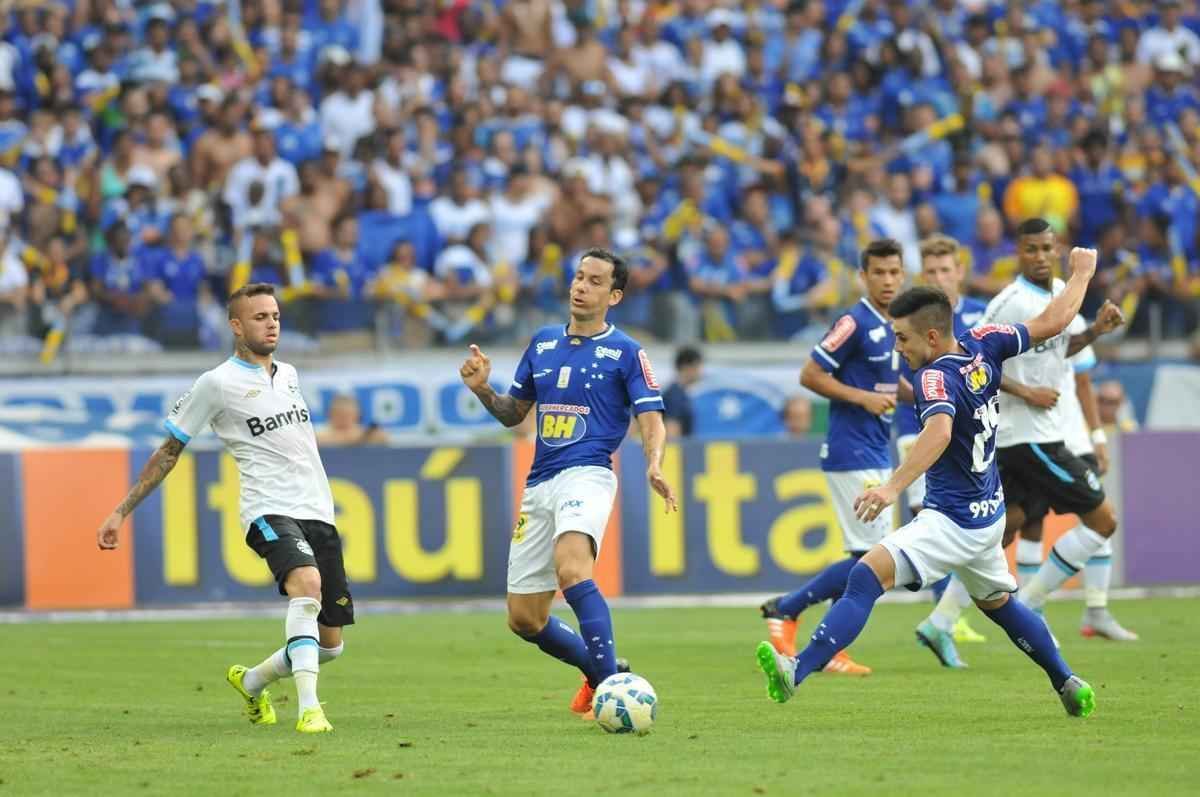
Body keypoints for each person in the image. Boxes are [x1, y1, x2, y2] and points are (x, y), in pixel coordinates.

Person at [756, 246, 1104, 718]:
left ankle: (795, 671)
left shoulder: (933, 379)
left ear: (932, 335)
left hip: (953, 518)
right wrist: (1082, 274)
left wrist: (890, 489)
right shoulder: (987, 341)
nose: (899, 348)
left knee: (865, 576)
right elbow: (1054, 320)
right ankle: (1067, 680)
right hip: (987, 510)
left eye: (903, 339)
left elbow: (938, 432)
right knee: (1000, 603)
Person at [95, 283, 350, 734]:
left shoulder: (289, 374)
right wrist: (121, 510)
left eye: (275, 316)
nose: (271, 323)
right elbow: (169, 451)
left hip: (318, 512)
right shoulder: (216, 384)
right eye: (260, 317)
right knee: (305, 584)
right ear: (236, 326)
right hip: (268, 511)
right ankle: (310, 710)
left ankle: (251, 683)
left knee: (329, 645)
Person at [458, 248, 678, 719]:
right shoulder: (541, 343)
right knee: (524, 618)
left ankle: (611, 688)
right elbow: (512, 414)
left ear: (614, 295)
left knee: (573, 570)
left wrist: (654, 463)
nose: (581, 286)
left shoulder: (626, 352)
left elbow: (651, 418)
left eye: (595, 281)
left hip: (589, 473)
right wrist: (482, 390)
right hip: (539, 483)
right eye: (579, 277)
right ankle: (604, 668)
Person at [759, 239, 906, 677]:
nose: (887, 280)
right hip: (851, 449)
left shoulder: (893, 325)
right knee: (873, 558)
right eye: (878, 273)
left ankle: (794, 616)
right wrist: (860, 397)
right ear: (863, 276)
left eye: (894, 272)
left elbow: (890, 385)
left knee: (871, 557)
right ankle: (801, 621)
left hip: (877, 448)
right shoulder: (853, 321)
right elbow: (809, 374)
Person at [980, 219, 1126, 639]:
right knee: (1103, 520)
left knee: (1010, 525)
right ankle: (1029, 604)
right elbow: (976, 358)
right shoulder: (1010, 303)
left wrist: (1096, 330)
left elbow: (1061, 346)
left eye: (1047, 248)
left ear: (1057, 249)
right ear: (1018, 253)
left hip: (1036, 435)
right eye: (1031, 249)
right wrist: (1024, 390)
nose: (1040, 257)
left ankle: (941, 619)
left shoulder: (1060, 292)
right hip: (1026, 437)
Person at [895, 235, 990, 662]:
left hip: (971, 440)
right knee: (929, 519)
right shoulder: (911, 324)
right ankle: (943, 618)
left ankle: (944, 620)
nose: (938, 278)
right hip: (917, 432)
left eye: (945, 270)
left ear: (960, 271)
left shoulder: (980, 320)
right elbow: (902, 378)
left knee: (978, 531)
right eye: (930, 272)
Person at [316, 393, 390, 447]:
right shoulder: (319, 435)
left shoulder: (367, 434)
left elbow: (383, 439)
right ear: (330, 414)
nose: (343, 419)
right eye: (339, 414)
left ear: (357, 415)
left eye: (348, 415)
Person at [662, 345, 702, 439]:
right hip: (676, 452)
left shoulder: (680, 394)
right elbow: (672, 435)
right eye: (698, 367)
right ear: (687, 367)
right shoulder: (675, 396)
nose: (700, 372)